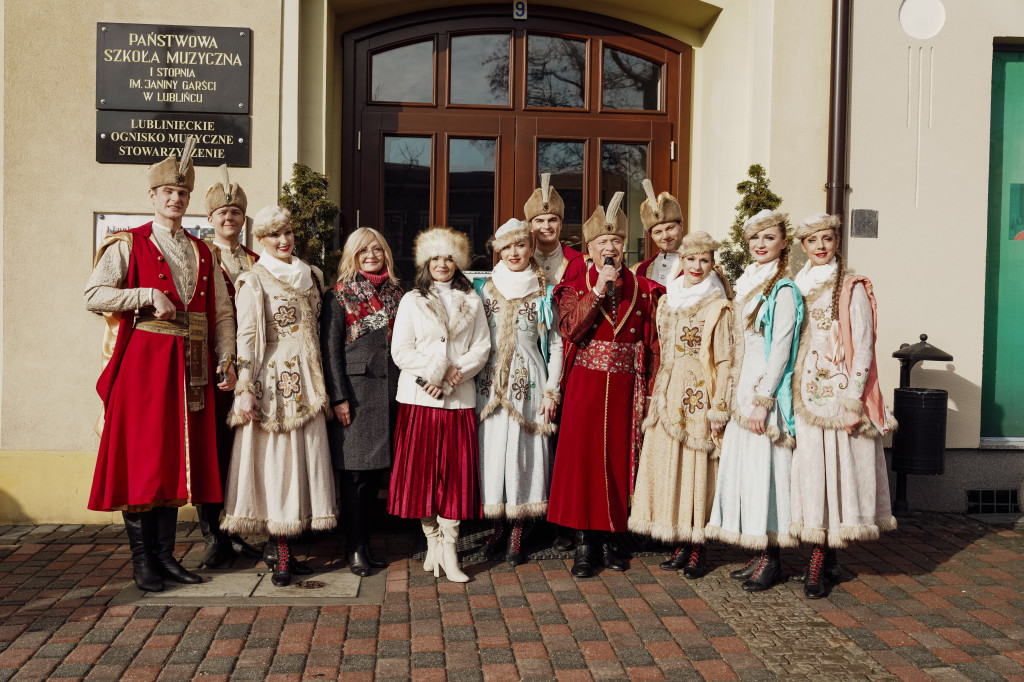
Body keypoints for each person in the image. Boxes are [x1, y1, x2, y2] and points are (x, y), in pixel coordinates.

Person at [84, 137, 238, 592]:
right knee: (145, 460)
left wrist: (226, 357)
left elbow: (223, 313)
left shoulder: (204, 250)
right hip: (145, 367)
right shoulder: (126, 244)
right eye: (168, 192)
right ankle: (142, 562)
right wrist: (145, 295)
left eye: (183, 193)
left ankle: (167, 557)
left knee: (176, 460)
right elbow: (93, 295)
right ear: (152, 196)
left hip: (191, 368)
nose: (176, 199)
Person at [547, 192, 662, 578]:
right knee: (583, 462)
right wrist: (598, 292)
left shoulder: (645, 289)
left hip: (628, 387)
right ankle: (584, 544)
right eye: (601, 243)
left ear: (624, 245)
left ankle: (613, 538)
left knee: (615, 461)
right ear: (589, 249)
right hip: (585, 385)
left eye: (615, 242)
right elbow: (570, 330)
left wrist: (653, 389)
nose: (609, 248)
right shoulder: (573, 287)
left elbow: (654, 344)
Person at [220, 206, 337, 587]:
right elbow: (248, 337)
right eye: (275, 236)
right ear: (261, 241)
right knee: (277, 465)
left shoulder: (312, 275)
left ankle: (289, 547)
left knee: (306, 461)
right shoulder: (253, 281)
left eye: (287, 233)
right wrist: (245, 387)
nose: (284, 241)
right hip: (275, 380)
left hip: (311, 377)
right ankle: (280, 551)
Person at [789, 213, 897, 598]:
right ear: (802, 246)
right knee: (812, 475)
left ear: (837, 242)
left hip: (837, 395)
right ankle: (826, 555)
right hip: (805, 396)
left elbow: (864, 345)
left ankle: (820, 556)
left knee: (835, 474)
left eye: (826, 239)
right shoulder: (796, 288)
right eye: (812, 240)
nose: (820, 246)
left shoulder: (850, 287)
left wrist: (853, 398)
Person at [706, 209, 804, 592]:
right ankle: (758, 548)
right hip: (743, 387)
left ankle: (773, 556)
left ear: (783, 242)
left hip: (766, 389)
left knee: (768, 471)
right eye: (754, 239)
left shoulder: (782, 289)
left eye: (769, 238)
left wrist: (764, 398)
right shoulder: (748, 283)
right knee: (748, 468)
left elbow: (780, 347)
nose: (760, 245)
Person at [388, 226, 491, 582]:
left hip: (458, 399)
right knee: (422, 474)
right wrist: (433, 374)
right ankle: (432, 540)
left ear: (458, 262)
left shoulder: (472, 300)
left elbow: (482, 347)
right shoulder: (411, 300)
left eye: (449, 258)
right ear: (425, 263)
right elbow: (400, 350)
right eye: (436, 258)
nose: (442, 264)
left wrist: (455, 373)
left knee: (454, 474)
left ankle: (449, 546)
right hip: (420, 398)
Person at [629, 231, 733, 578]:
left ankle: (697, 546)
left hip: (698, 393)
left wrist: (720, 405)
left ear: (712, 264)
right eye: (691, 260)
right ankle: (678, 541)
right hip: (668, 388)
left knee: (695, 468)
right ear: (681, 261)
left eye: (704, 260)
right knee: (670, 465)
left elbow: (724, 360)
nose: (697, 267)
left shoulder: (718, 304)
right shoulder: (668, 300)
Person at [474, 219, 563, 566]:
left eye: (520, 246)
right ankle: (499, 523)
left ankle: (519, 529)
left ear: (531, 248)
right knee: (494, 451)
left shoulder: (545, 290)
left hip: (529, 384)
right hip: (490, 383)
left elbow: (555, 344)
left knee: (523, 453)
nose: (514, 253)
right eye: (507, 247)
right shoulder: (485, 288)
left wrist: (551, 390)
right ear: (498, 250)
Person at [320, 227, 404, 576]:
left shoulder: (398, 292)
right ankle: (354, 549)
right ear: (351, 257)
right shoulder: (338, 294)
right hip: (356, 395)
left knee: (375, 478)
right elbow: (330, 350)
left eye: (377, 250)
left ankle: (366, 545)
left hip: (391, 392)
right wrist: (338, 396)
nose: (371, 256)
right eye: (363, 251)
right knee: (354, 477)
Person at [197, 165, 263, 568]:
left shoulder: (257, 260)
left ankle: (237, 529)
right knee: (213, 448)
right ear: (210, 220)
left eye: (235, 213)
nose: (228, 218)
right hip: (212, 365)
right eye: (221, 213)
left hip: (250, 363)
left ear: (243, 219)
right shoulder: (200, 255)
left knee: (242, 448)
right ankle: (213, 535)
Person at [523, 173, 586, 553]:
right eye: (538, 221)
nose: (545, 227)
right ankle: (532, 517)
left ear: (562, 224)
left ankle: (564, 519)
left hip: (570, 358)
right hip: (530, 361)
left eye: (552, 221)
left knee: (564, 442)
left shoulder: (577, 262)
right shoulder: (520, 258)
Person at [632, 180, 685, 286]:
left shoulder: (700, 264)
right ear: (651, 236)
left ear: (681, 226)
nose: (665, 236)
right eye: (658, 232)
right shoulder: (641, 270)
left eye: (670, 228)